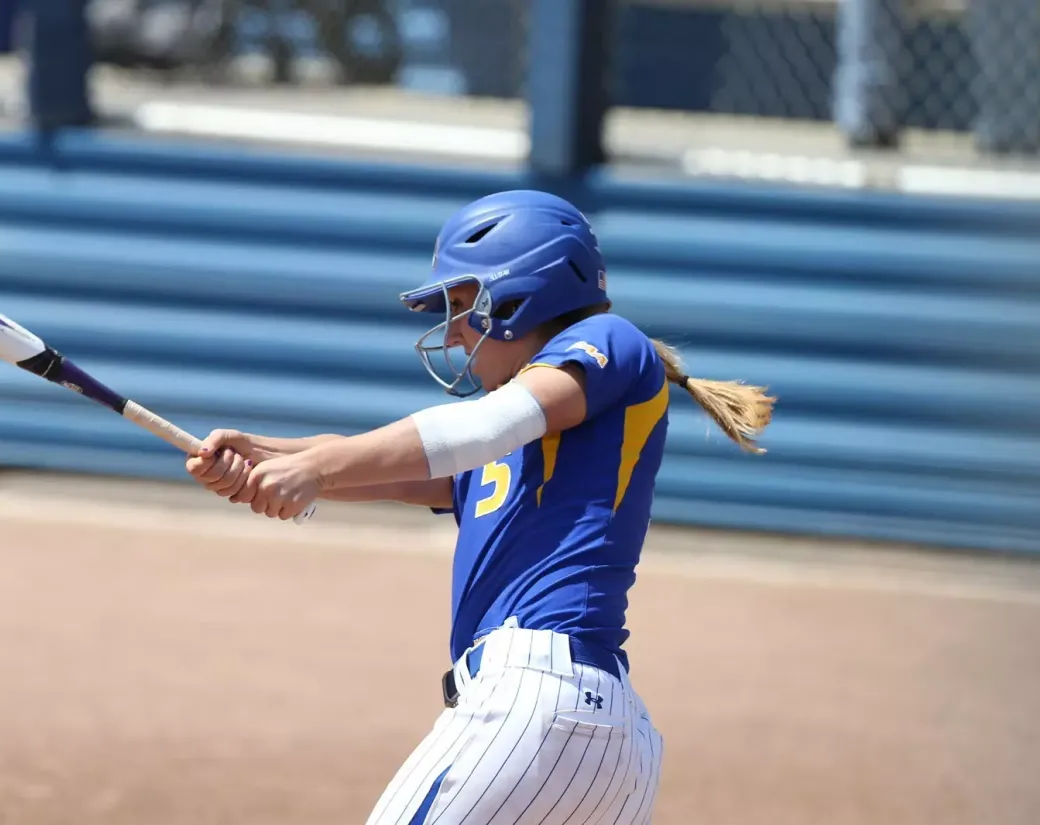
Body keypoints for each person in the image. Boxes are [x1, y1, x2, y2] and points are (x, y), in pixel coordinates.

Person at [185, 189, 775, 824]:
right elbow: (392, 467)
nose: (454, 329)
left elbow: (482, 426)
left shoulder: (604, 343)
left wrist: (313, 470)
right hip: (595, 731)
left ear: (523, 297)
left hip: (534, 703)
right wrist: (265, 457)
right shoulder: (527, 442)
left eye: (465, 305)